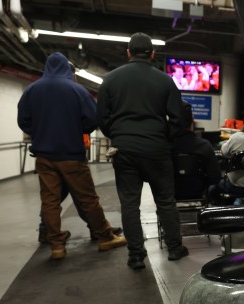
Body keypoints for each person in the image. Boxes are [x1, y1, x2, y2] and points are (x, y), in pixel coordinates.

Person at [17, 52, 127, 260]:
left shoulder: (32, 90)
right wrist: (76, 129)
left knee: (50, 201)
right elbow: (92, 120)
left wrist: (40, 132)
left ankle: (56, 245)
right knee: (87, 199)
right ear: (68, 70)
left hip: (44, 157)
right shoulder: (76, 90)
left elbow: (23, 121)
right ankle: (104, 237)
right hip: (71, 155)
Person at [97, 32, 188, 270]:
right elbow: (179, 118)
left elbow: (102, 119)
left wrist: (119, 136)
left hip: (124, 150)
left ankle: (136, 255)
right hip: (157, 149)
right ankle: (175, 249)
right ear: (152, 54)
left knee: (129, 205)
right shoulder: (165, 80)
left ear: (128, 53)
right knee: (166, 202)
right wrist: (163, 137)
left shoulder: (110, 80)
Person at [172, 101, 221, 199]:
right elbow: (215, 177)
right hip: (197, 195)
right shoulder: (204, 146)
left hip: (169, 199)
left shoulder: (163, 146)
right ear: (192, 122)